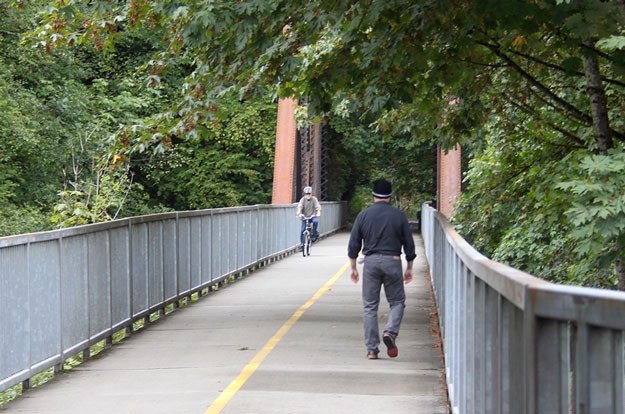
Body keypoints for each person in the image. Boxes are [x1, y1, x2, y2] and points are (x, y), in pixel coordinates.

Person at [347, 179, 416, 360]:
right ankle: (390, 332)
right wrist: (409, 267)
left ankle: (372, 350)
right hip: (392, 261)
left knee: (370, 306)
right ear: (390, 196)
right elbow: (409, 244)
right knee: (397, 301)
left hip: (370, 263)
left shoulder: (363, 215)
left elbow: (354, 243)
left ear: (373, 195)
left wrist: (353, 268)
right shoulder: (399, 216)